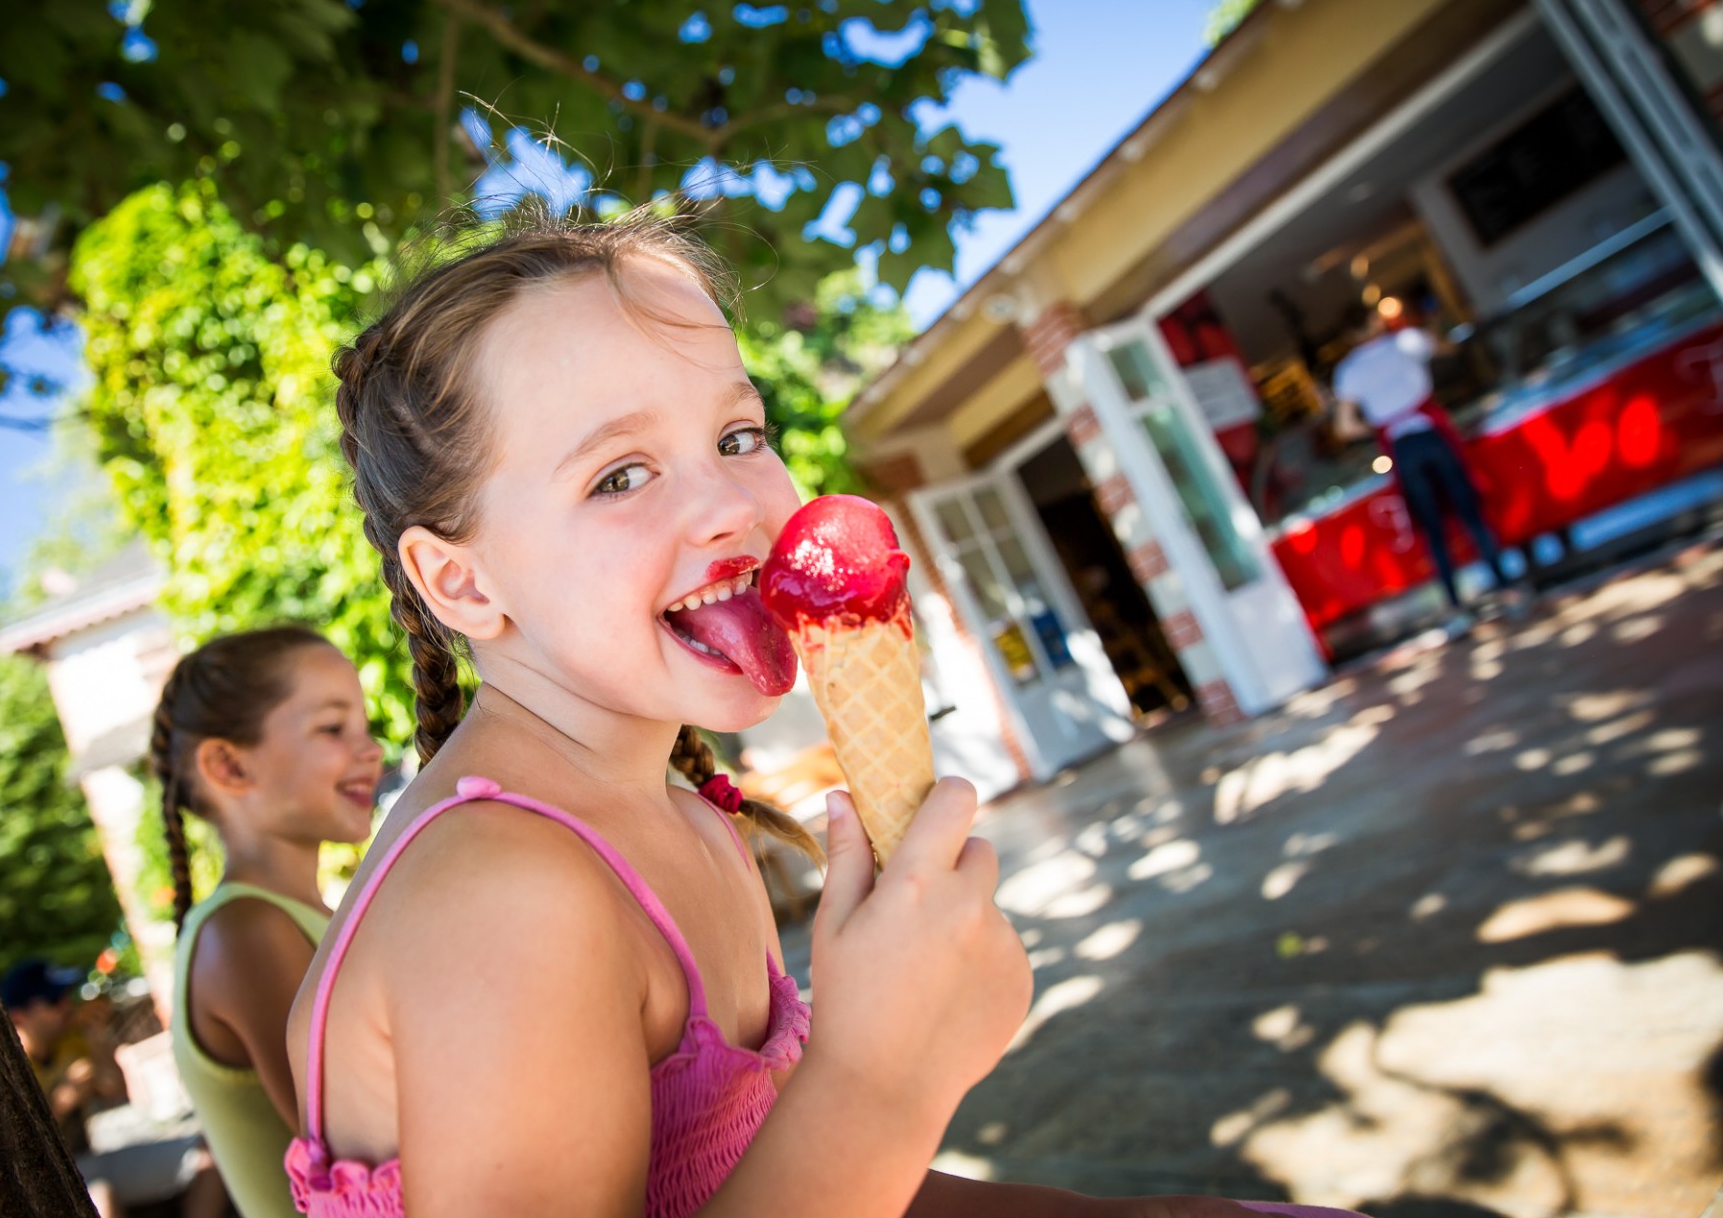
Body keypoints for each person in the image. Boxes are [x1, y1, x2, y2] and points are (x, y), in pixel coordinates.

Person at [284, 214, 1364, 1218]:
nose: (730, 504)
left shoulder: (693, 814)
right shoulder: (503, 898)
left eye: (740, 435)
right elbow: (855, 1125)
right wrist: (887, 1070)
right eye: (620, 474)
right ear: (462, 583)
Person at [153, 627, 384, 1218]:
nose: (372, 750)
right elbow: (373, 1165)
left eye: (362, 725)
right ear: (228, 765)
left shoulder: (304, 920)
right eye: (333, 729)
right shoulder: (247, 934)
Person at [1333, 308, 1525, 631]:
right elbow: (1449, 347)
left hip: (1402, 448)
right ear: (1374, 323)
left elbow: (1345, 427)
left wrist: (1380, 423)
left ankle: (1455, 606)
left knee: (1432, 529)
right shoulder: (1405, 342)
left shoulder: (1348, 371)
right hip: (1432, 435)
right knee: (1470, 514)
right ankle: (1506, 587)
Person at [2, 958, 129, 1214]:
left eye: (66, 994)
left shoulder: (71, 1041)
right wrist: (61, 1102)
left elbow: (115, 1091)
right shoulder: (7, 1067)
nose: (67, 1005)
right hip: (48, 1181)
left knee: (206, 1155)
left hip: (90, 1162)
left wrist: (97, 1038)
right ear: (19, 1016)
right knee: (101, 1198)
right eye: (53, 1000)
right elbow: (16, 1149)